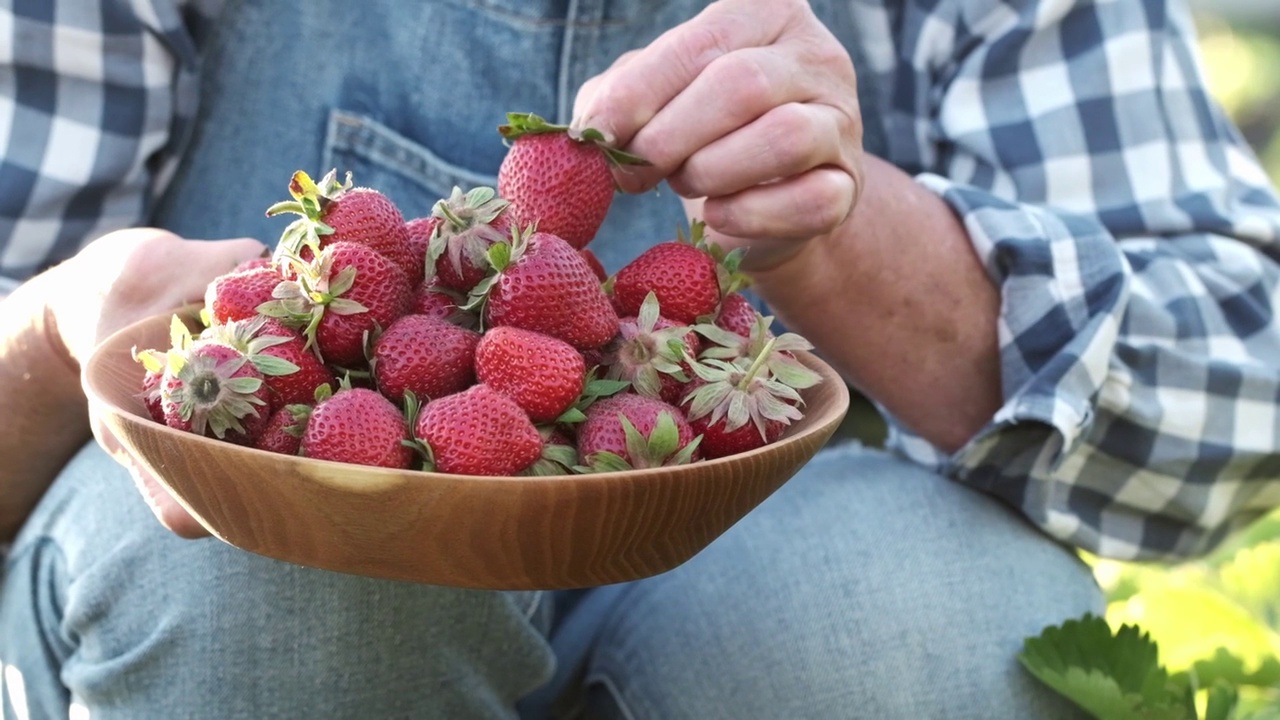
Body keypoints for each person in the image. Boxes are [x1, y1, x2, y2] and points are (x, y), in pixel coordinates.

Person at [2, 0, 1278, 717]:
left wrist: (845, 233)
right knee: (276, 572)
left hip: (749, 551)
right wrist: (65, 327)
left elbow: (1241, 404)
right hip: (218, 561)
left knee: (902, 621)